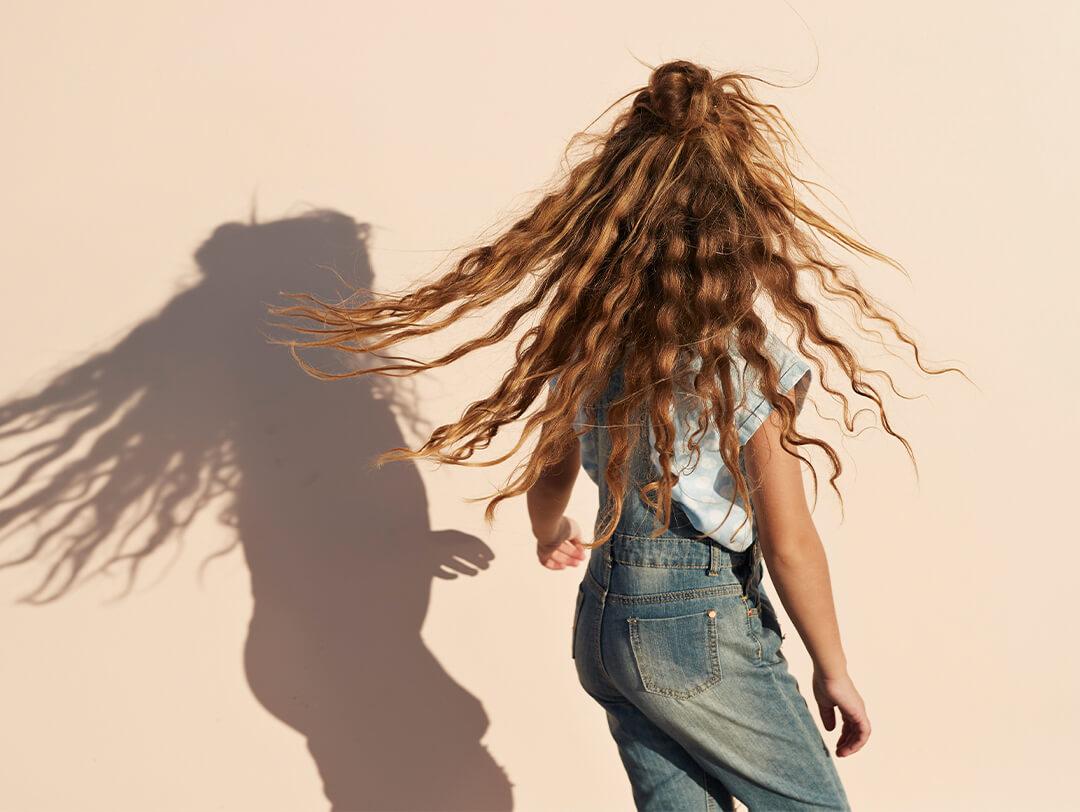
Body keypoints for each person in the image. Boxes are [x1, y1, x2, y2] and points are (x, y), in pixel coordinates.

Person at [269, 58, 958, 810]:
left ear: (613, 214)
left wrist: (547, 532)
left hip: (606, 621)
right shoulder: (744, 358)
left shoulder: (591, 339)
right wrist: (834, 668)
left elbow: (552, 466)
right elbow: (788, 537)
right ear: (740, 219)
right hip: (694, 622)